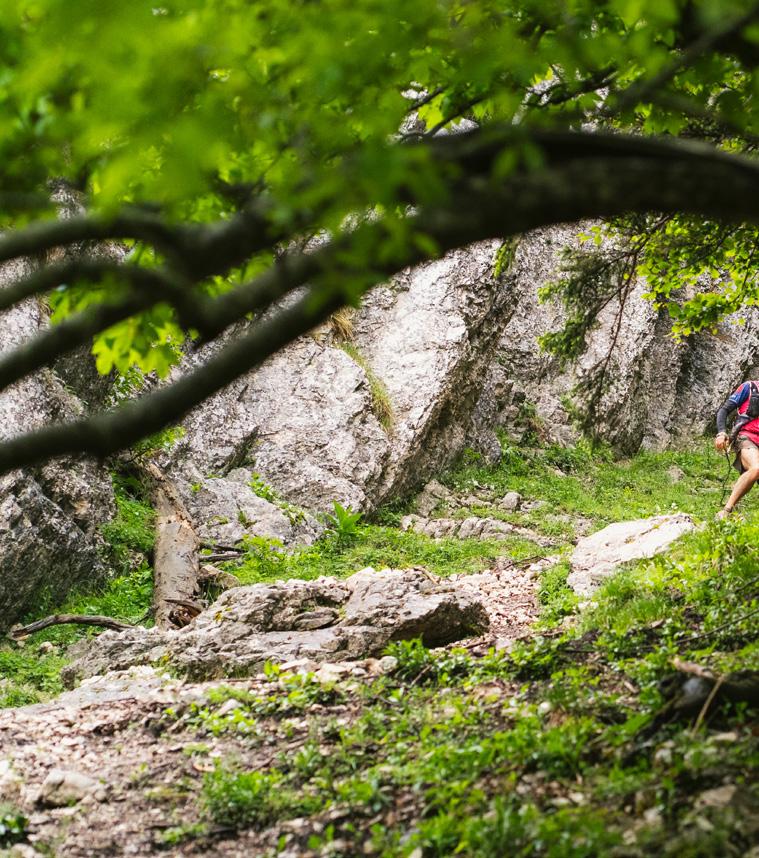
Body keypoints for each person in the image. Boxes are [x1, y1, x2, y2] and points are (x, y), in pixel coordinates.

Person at [715, 379, 759, 518]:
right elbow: (724, 410)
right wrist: (721, 433)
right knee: (756, 468)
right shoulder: (749, 387)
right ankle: (726, 511)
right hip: (747, 436)